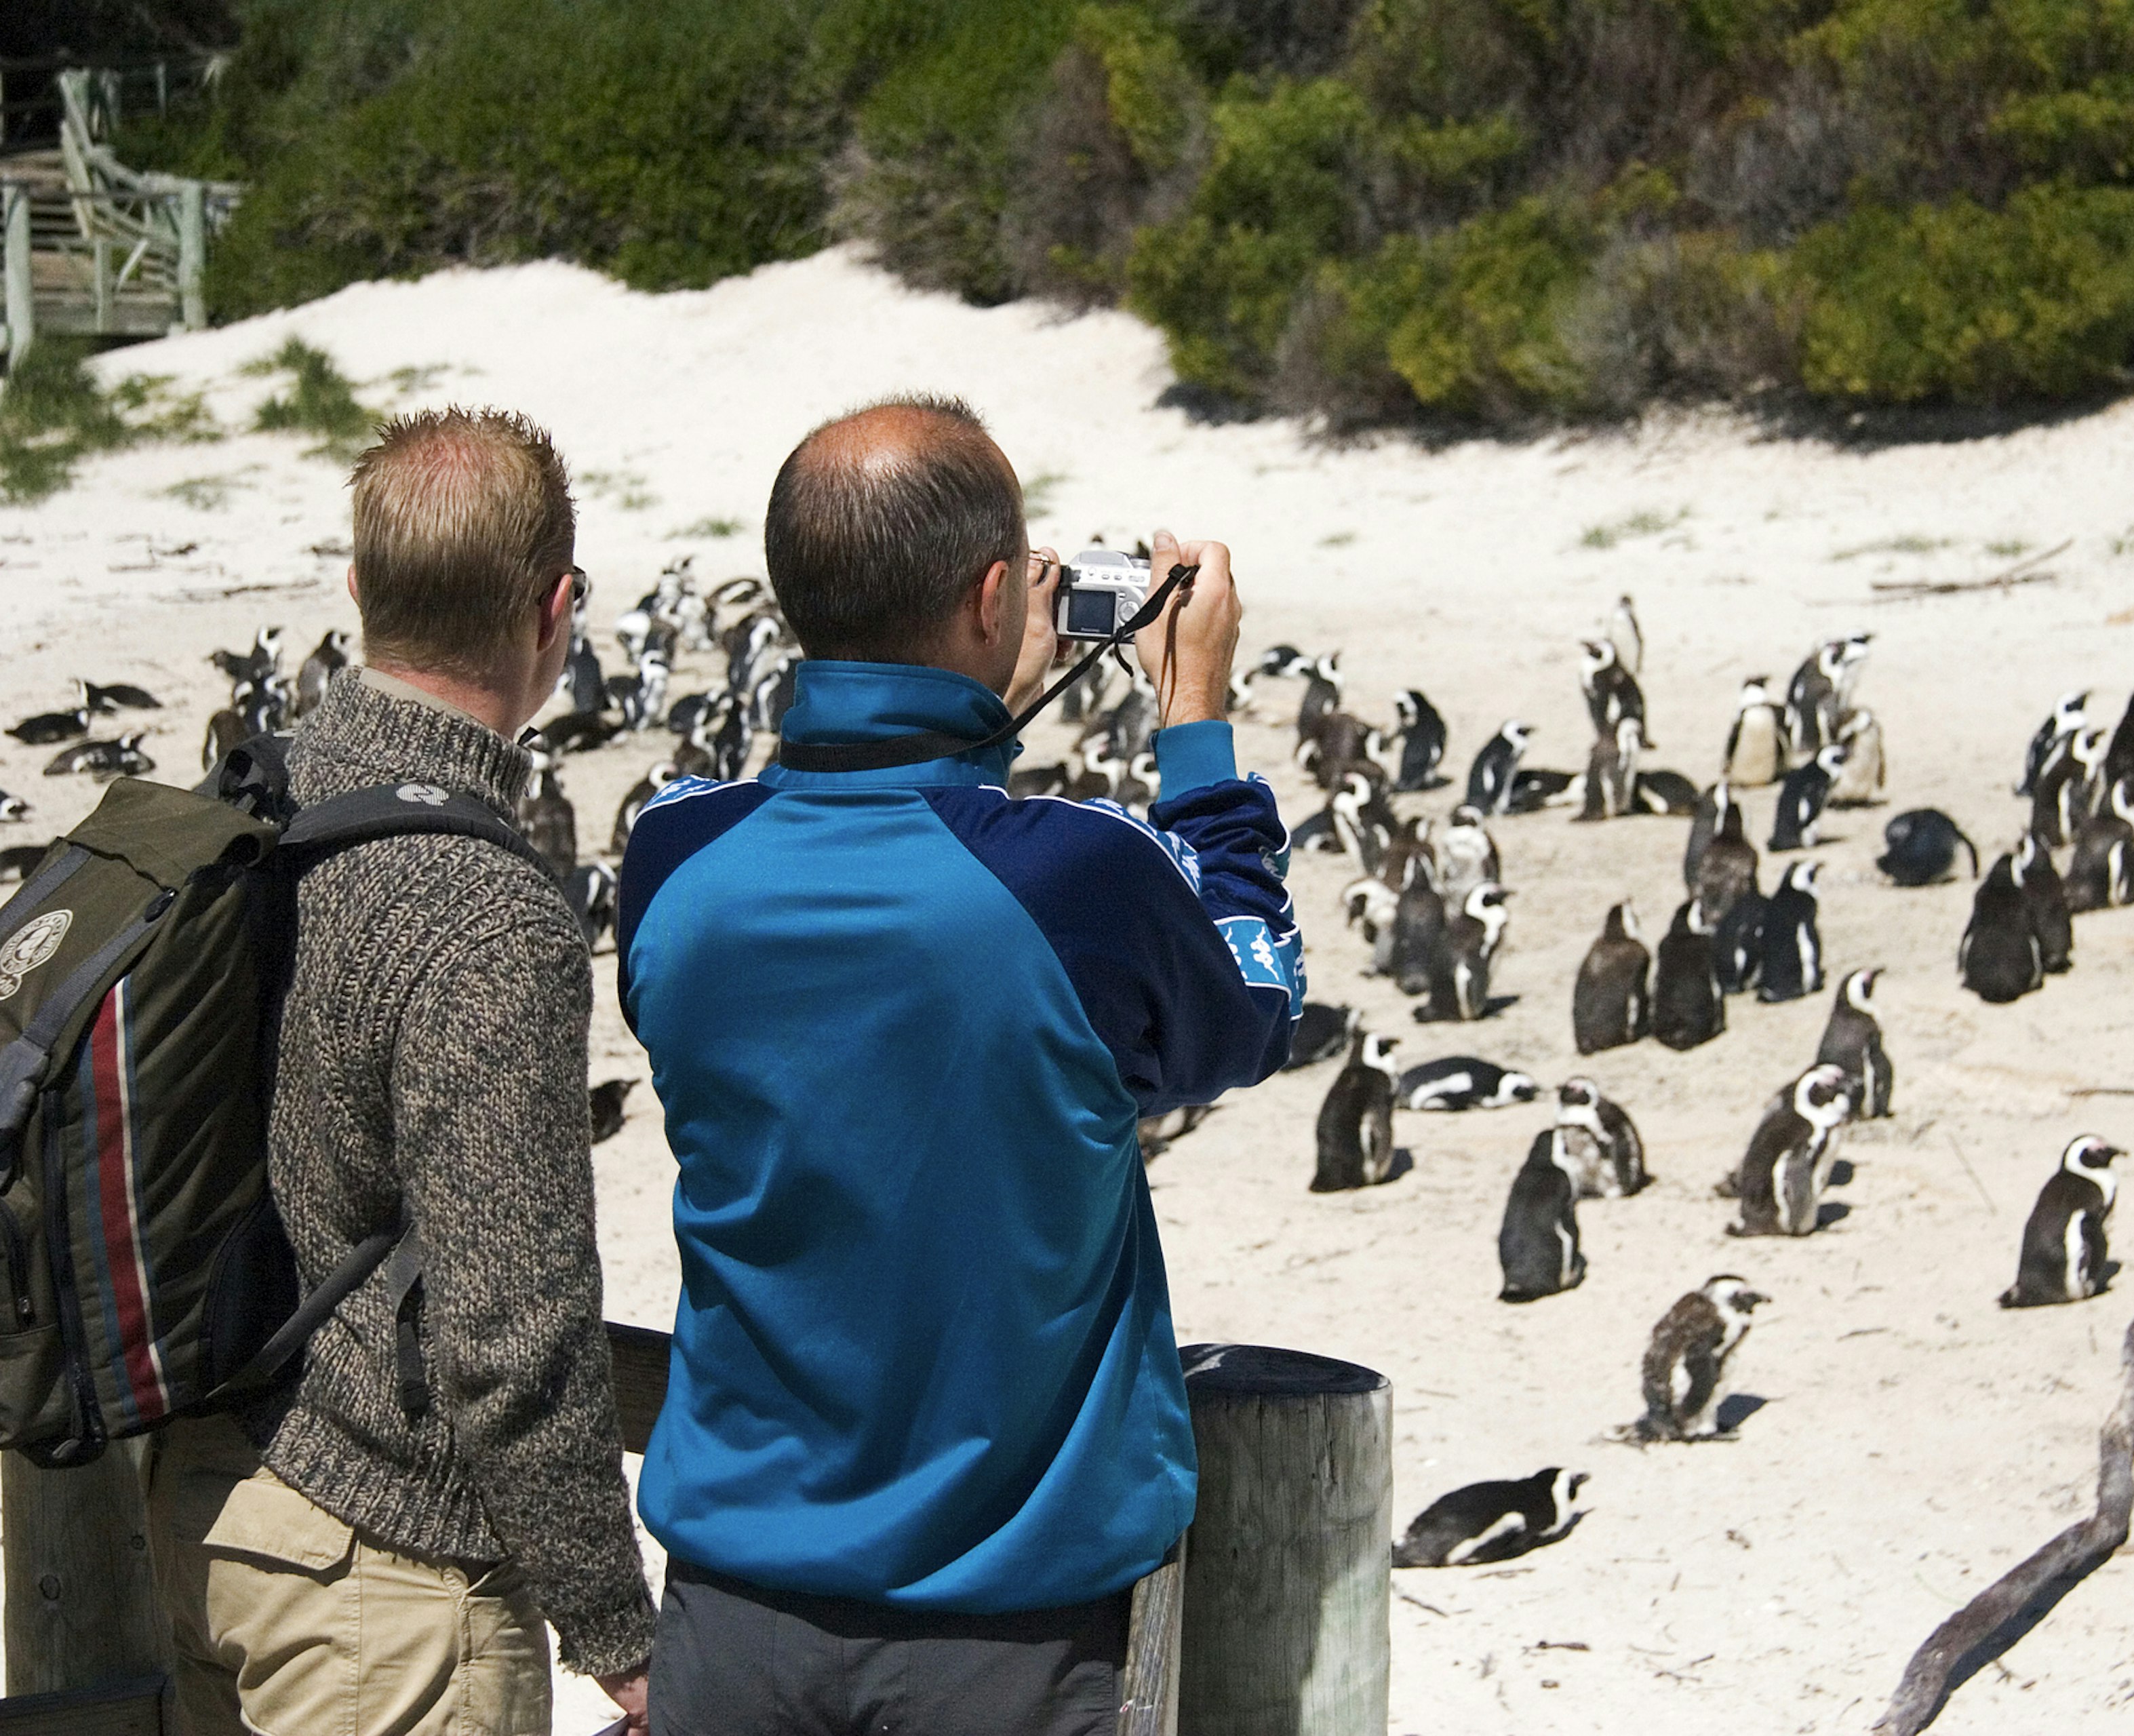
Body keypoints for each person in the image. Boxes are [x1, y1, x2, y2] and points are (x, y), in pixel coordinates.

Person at [620, 394, 1301, 1735]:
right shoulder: (1072, 875)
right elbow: (1251, 1006)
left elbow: (821, 855)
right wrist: (1197, 721)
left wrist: (962, 696)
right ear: (997, 593)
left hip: (727, 1621)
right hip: (1004, 1632)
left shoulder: (671, 856)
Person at [146, 409, 655, 1735]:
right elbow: (513, 1325)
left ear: (360, 588)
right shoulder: (488, 913)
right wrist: (615, 1630)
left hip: (209, 1510)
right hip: (381, 1578)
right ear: (556, 614)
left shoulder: (250, 797)